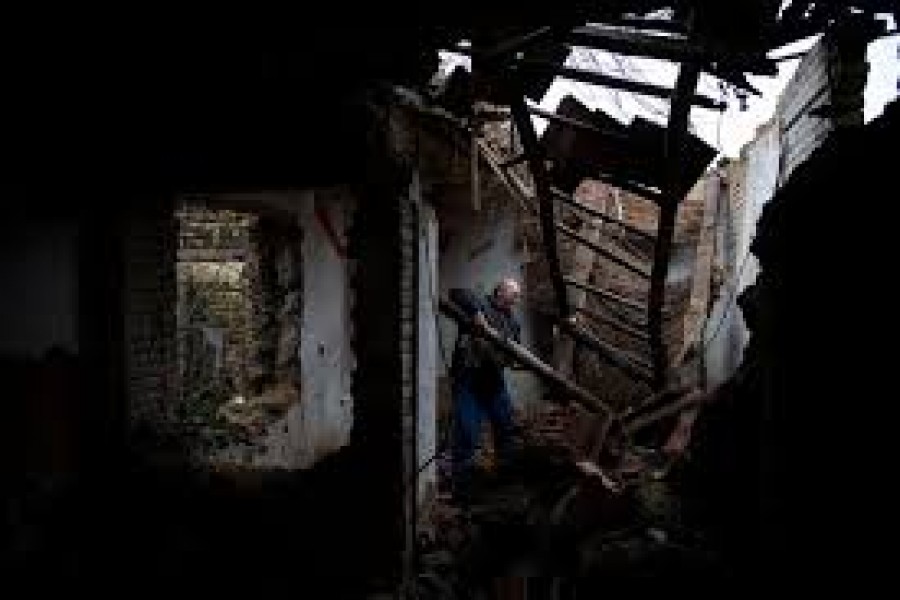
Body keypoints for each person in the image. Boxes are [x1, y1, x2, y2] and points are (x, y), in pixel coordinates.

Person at [448, 278, 523, 493]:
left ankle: (505, 479)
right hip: (469, 378)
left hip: (494, 381)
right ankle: (462, 486)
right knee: (467, 431)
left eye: (518, 296)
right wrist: (476, 313)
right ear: (500, 291)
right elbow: (457, 291)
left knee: (506, 426)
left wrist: (509, 356)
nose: (516, 299)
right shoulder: (480, 303)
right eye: (514, 294)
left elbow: (516, 351)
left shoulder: (513, 323)